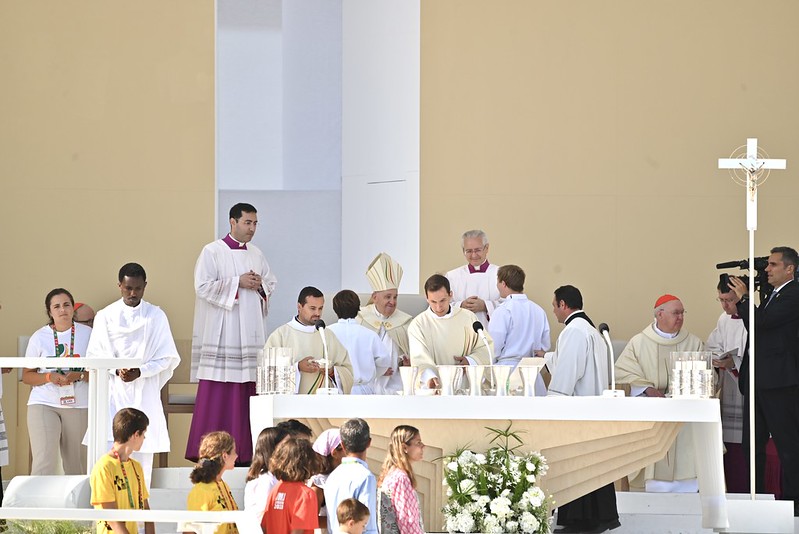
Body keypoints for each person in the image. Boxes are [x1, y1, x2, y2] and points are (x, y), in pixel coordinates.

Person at [187, 202, 278, 464]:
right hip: (224, 332)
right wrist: (237, 282)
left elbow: (270, 282)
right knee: (220, 393)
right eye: (247, 222)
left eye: (255, 223)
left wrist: (259, 285)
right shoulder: (212, 251)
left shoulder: (256, 254)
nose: (252, 228)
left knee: (248, 390)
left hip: (249, 332)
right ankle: (211, 452)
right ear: (232, 222)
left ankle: (248, 453)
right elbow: (202, 286)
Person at [87, 262, 180, 487]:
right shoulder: (105, 316)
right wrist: (115, 369)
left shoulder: (156, 316)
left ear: (145, 286)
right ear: (119, 285)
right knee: (109, 458)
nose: (132, 294)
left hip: (144, 392)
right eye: (128, 288)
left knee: (142, 465)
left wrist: (141, 371)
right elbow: (94, 356)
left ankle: (139, 509)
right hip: (113, 393)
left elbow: (166, 358)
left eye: (138, 288)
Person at [728, 246, 799, 515]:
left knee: (787, 444)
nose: (767, 269)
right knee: (752, 444)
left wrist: (745, 298)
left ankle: (794, 502)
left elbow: (763, 322)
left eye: (773, 264)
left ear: (790, 268)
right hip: (758, 379)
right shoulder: (773, 295)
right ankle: (755, 497)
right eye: (767, 264)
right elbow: (757, 327)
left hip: (779, 382)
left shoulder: (794, 293)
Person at [544, 285, 619, 534]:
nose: (554, 311)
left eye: (554, 306)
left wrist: (552, 405)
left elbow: (567, 374)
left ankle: (580, 521)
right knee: (591, 466)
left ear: (563, 305)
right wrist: (548, 357)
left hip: (576, 413)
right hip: (593, 410)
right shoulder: (590, 330)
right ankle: (594, 518)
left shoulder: (574, 331)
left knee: (576, 466)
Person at [615, 294, 703, 492]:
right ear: (660, 314)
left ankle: (687, 485)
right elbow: (622, 372)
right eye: (676, 313)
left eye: (682, 313)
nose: (680, 317)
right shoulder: (639, 342)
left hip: (683, 415)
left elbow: (707, 377)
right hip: (650, 412)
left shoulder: (693, 343)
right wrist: (647, 388)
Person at [23, 287, 90, 475]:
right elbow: (27, 375)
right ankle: (39, 495)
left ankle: (78, 496)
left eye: (67, 305)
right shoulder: (39, 337)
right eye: (57, 306)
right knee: (44, 461)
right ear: (50, 312)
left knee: (77, 464)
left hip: (79, 404)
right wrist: (48, 377)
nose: (62, 310)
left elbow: (101, 371)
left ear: (73, 308)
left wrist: (80, 375)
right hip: (44, 402)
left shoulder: (88, 334)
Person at [265, 287, 354, 394]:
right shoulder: (280, 335)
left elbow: (347, 371)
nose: (317, 313)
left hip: (323, 401)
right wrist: (297, 367)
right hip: (292, 402)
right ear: (299, 307)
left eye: (320, 308)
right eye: (312, 308)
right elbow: (268, 376)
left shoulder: (327, 335)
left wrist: (332, 372)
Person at [408, 274, 492, 389]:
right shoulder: (418, 324)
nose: (438, 307)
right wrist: (429, 377)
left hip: (465, 386)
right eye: (433, 302)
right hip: (436, 387)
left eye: (442, 300)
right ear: (427, 298)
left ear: (451, 295)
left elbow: (485, 346)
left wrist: (471, 360)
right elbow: (419, 358)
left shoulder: (468, 317)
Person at [706, 279, 748, 494]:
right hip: (729, 385)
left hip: (748, 388)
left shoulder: (753, 316)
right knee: (729, 446)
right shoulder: (723, 319)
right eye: (721, 300)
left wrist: (735, 362)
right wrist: (717, 359)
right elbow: (713, 345)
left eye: (730, 300)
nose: (725, 305)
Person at [90, 407, 153, 534]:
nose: (144, 438)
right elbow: (110, 514)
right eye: (144, 434)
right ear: (136, 434)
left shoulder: (136, 467)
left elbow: (146, 509)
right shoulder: (104, 466)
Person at [357, 252, 413, 394]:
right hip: (364, 387)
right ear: (375, 297)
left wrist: (405, 363)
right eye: (388, 297)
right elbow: (352, 356)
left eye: (395, 297)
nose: (392, 302)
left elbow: (409, 358)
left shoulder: (405, 322)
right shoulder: (360, 319)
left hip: (394, 387)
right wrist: (376, 370)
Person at [329, 290, 391, 395]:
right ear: (358, 308)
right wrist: (372, 373)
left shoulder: (328, 332)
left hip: (336, 390)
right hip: (363, 390)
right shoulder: (370, 334)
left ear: (335, 309)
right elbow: (384, 361)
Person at [489, 264, 550, 366]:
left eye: (497, 282)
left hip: (506, 368)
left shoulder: (503, 310)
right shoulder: (539, 310)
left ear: (503, 284)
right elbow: (545, 345)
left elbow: (494, 345)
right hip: (531, 369)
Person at [323, 419, 378, 534]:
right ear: (369, 443)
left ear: (342, 445)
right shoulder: (366, 477)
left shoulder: (332, 477)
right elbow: (368, 525)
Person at [263, 437, 320, 534]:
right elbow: (298, 531)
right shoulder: (305, 494)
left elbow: (264, 527)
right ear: (309, 462)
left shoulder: (276, 489)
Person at [187, 431, 240, 534]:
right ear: (225, 456)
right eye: (234, 452)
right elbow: (190, 530)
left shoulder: (224, 485)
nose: (237, 456)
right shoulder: (201, 491)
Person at [445, 230, 501, 325]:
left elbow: (512, 306)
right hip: (462, 331)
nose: (474, 255)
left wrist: (486, 306)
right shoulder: (452, 276)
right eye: (469, 251)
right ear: (463, 251)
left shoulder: (501, 274)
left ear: (487, 248)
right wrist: (461, 305)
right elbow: (440, 305)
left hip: (492, 331)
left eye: (478, 250)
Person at [376, 425, 425, 534]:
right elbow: (407, 522)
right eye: (418, 443)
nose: (423, 446)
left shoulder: (392, 473)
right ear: (404, 448)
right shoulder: (401, 478)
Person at [245, 426, 290, 525]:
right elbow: (264, 515)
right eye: (285, 445)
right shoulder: (265, 480)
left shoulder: (273, 477)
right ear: (272, 448)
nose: (290, 449)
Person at [310, 428, 344, 531]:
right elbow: (311, 520)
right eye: (345, 448)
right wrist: (341, 521)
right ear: (335, 453)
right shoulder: (318, 483)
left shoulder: (343, 475)